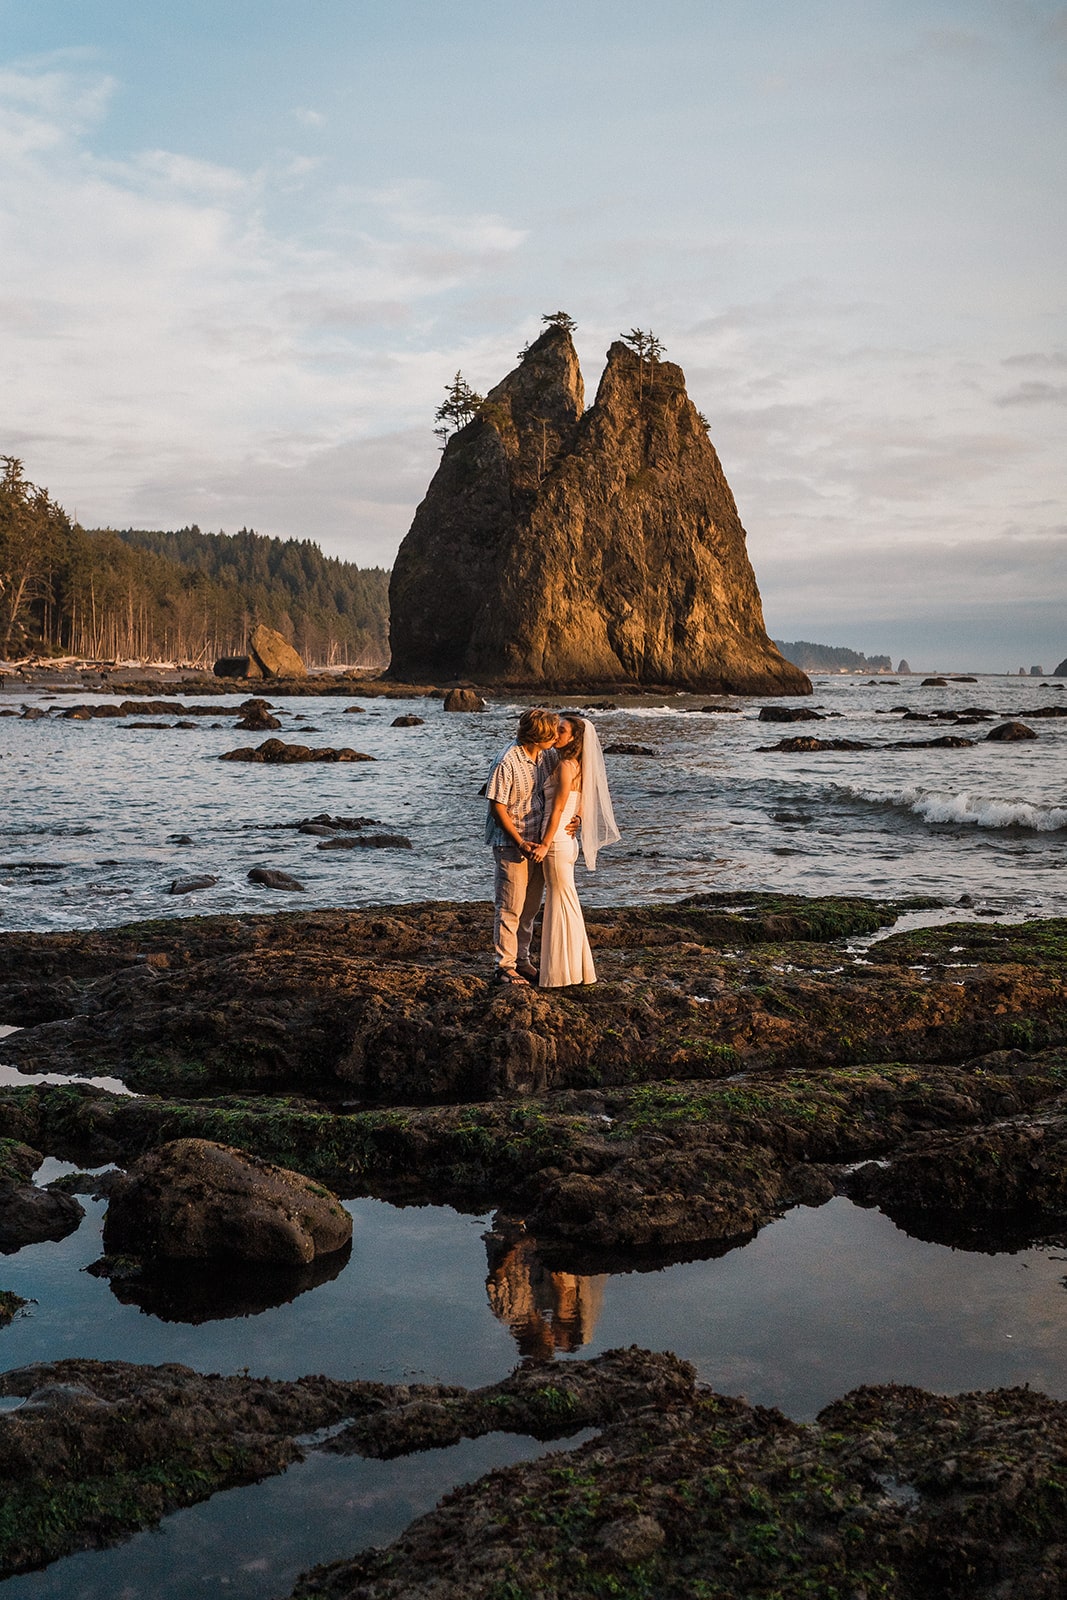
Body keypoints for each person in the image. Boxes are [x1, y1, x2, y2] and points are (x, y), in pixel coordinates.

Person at [531, 717, 619, 987]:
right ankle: (576, 969)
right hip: (566, 843)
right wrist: (578, 819)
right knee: (566, 902)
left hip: (557, 841)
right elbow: (579, 803)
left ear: (575, 739)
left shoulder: (567, 766)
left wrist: (545, 843)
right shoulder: (577, 766)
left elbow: (557, 808)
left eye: (562, 730)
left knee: (560, 903)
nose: (556, 733)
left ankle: (559, 974)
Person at [484, 707, 560, 986]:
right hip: (511, 844)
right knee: (509, 907)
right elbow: (497, 807)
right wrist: (519, 842)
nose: (555, 737)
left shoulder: (547, 755)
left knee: (529, 908)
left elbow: (564, 788)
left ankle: (523, 960)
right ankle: (503, 967)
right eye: (552, 733)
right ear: (538, 735)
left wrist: (575, 815)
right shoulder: (506, 761)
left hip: (538, 842)